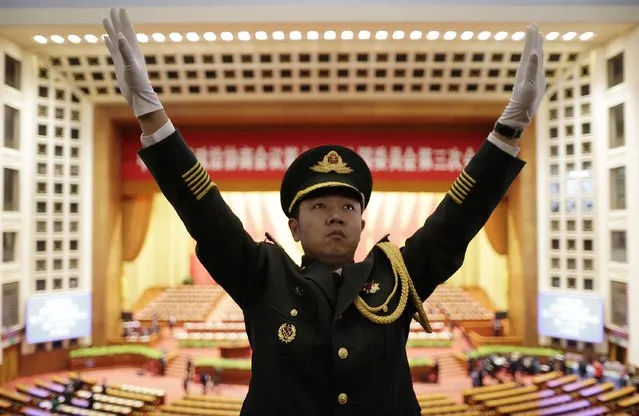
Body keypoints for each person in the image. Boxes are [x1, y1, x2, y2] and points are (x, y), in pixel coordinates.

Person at [102, 8, 546, 416]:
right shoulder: (263, 276)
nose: (336, 216)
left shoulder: (396, 277)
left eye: (348, 206)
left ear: (363, 223)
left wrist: (509, 131)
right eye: (319, 206)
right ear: (293, 228)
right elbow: (205, 211)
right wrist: (151, 116)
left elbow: (455, 222)